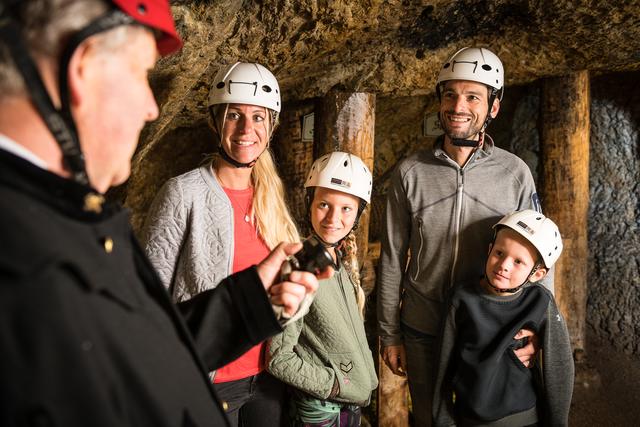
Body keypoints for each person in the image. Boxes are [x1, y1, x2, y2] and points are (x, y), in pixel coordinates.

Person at [0, 1, 326, 426]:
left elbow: (137, 343)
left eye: (259, 119)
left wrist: (249, 304)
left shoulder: (66, 219)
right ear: (85, 69)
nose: (152, 109)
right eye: (142, 75)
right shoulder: (24, 249)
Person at [377, 47, 545, 426]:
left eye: (473, 96)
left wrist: (538, 331)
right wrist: (390, 335)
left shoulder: (515, 174)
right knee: (429, 419)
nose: (459, 105)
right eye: (450, 94)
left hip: (491, 328)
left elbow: (538, 259)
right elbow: (391, 257)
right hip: (423, 327)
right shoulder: (410, 172)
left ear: (493, 107)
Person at [142, 61, 300, 425]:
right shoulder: (183, 193)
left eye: (259, 117)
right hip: (207, 379)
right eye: (234, 116)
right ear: (216, 121)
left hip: (267, 379)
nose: (247, 129)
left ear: (271, 126)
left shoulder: (270, 196)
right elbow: (150, 296)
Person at [432, 210, 574, 426]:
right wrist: (443, 421)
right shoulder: (461, 298)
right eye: (499, 253)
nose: (504, 265)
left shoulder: (541, 302)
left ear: (537, 274)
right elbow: (443, 363)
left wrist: (558, 423)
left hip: (525, 419)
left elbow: (560, 364)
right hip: (470, 419)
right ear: (489, 250)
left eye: (518, 261)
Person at [267, 152, 378, 426]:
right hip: (320, 409)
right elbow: (278, 358)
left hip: (344, 403)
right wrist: (335, 385)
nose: (333, 218)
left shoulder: (339, 261)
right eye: (324, 205)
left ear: (358, 214)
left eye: (346, 209)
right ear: (310, 203)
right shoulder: (302, 264)